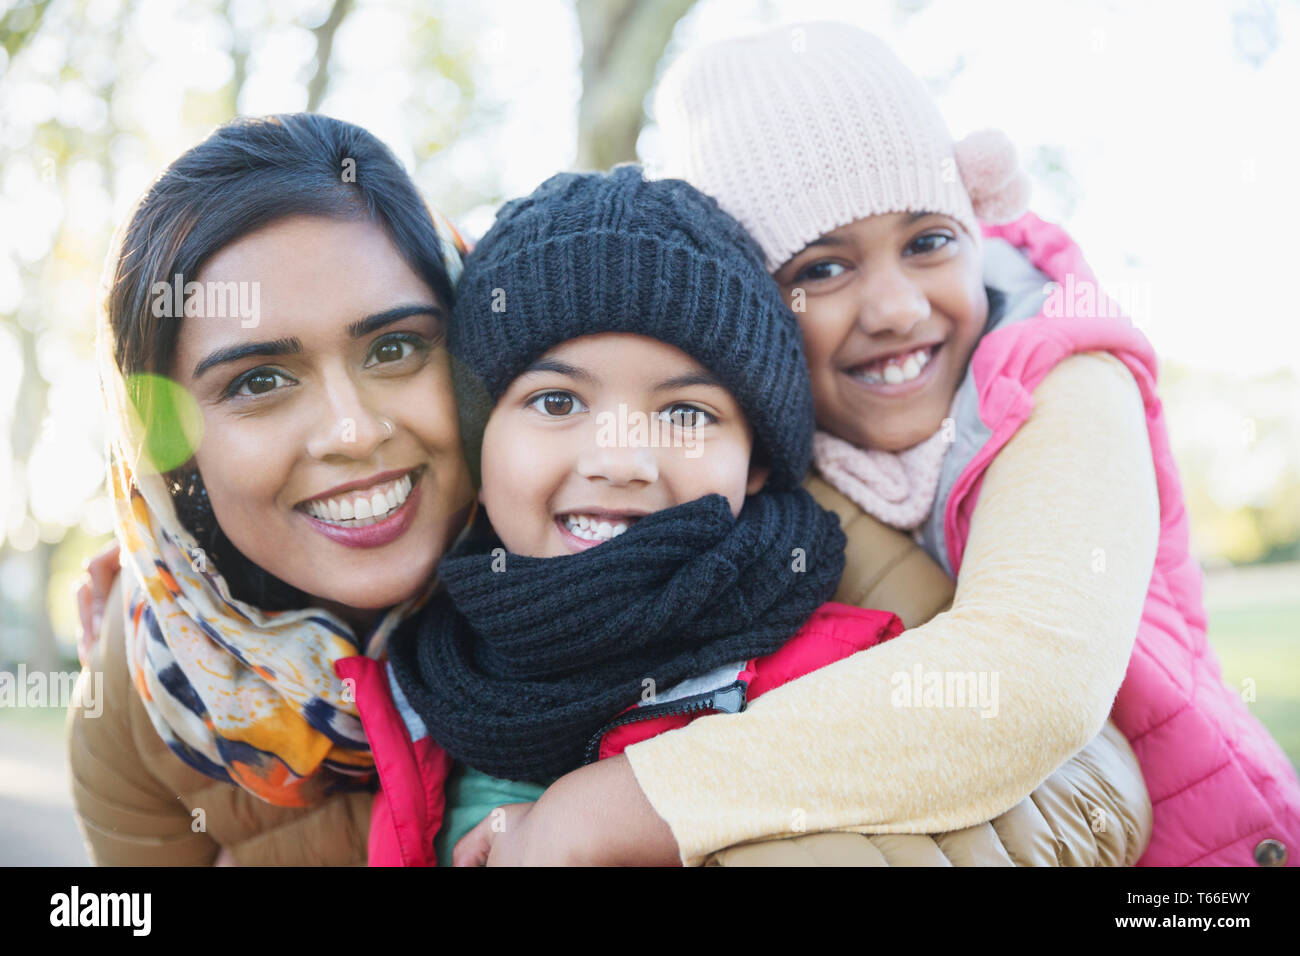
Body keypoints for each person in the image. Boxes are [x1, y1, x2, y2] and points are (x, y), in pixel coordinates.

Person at [341, 166, 1151, 868]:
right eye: (557, 401)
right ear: (477, 446)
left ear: (758, 460)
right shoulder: (413, 681)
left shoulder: (846, 675)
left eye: (688, 413)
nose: (621, 459)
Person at [642, 21, 1300, 866]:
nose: (897, 309)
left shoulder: (1062, 378)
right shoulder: (765, 460)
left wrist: (643, 799)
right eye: (821, 269)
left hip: (1197, 850)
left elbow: (1024, 678)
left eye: (928, 242)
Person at [68, 113, 475, 864]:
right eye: (259, 380)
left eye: (395, 347)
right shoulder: (142, 692)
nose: (352, 432)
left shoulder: (617, 583)